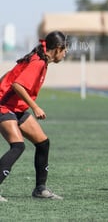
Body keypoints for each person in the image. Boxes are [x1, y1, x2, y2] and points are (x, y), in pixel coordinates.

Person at [0, 31, 68, 202]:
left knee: (43, 143)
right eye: (65, 50)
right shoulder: (38, 62)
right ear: (58, 48)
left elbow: (10, 75)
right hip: (3, 106)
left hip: (15, 107)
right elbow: (16, 85)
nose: (66, 53)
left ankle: (40, 189)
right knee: (18, 146)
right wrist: (35, 107)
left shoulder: (41, 60)